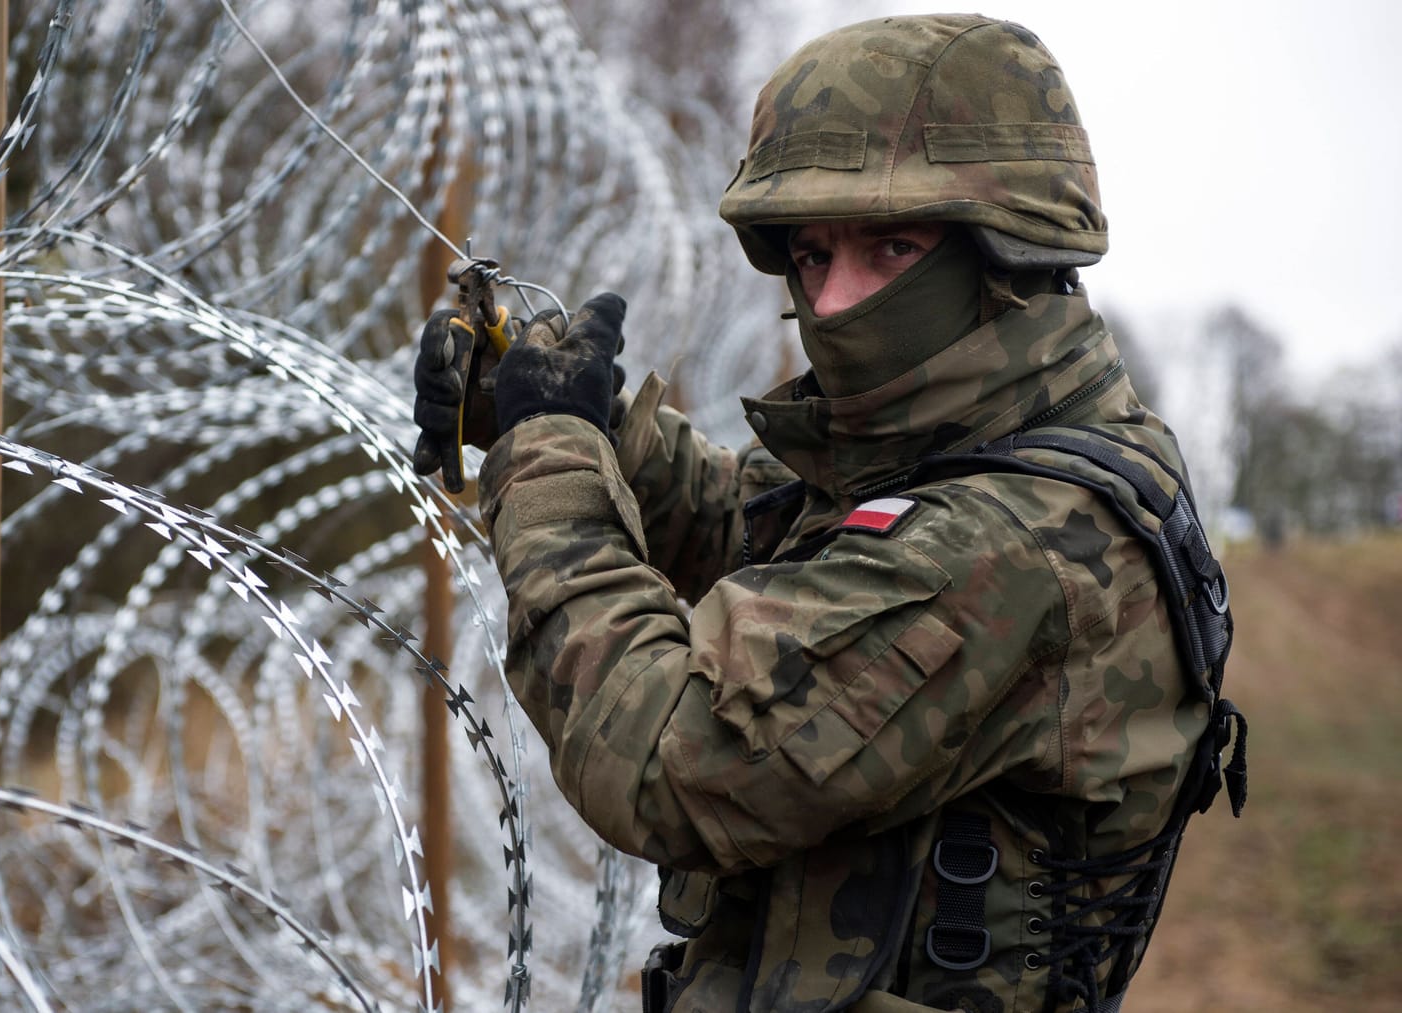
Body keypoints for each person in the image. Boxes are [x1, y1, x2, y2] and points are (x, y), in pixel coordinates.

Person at [412, 13, 1244, 1012]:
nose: (838, 301)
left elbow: (667, 757)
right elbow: (774, 543)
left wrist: (549, 462)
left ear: (1012, 251)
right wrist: (573, 416)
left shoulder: (1010, 538)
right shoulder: (1002, 439)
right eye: (811, 256)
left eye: (890, 247)